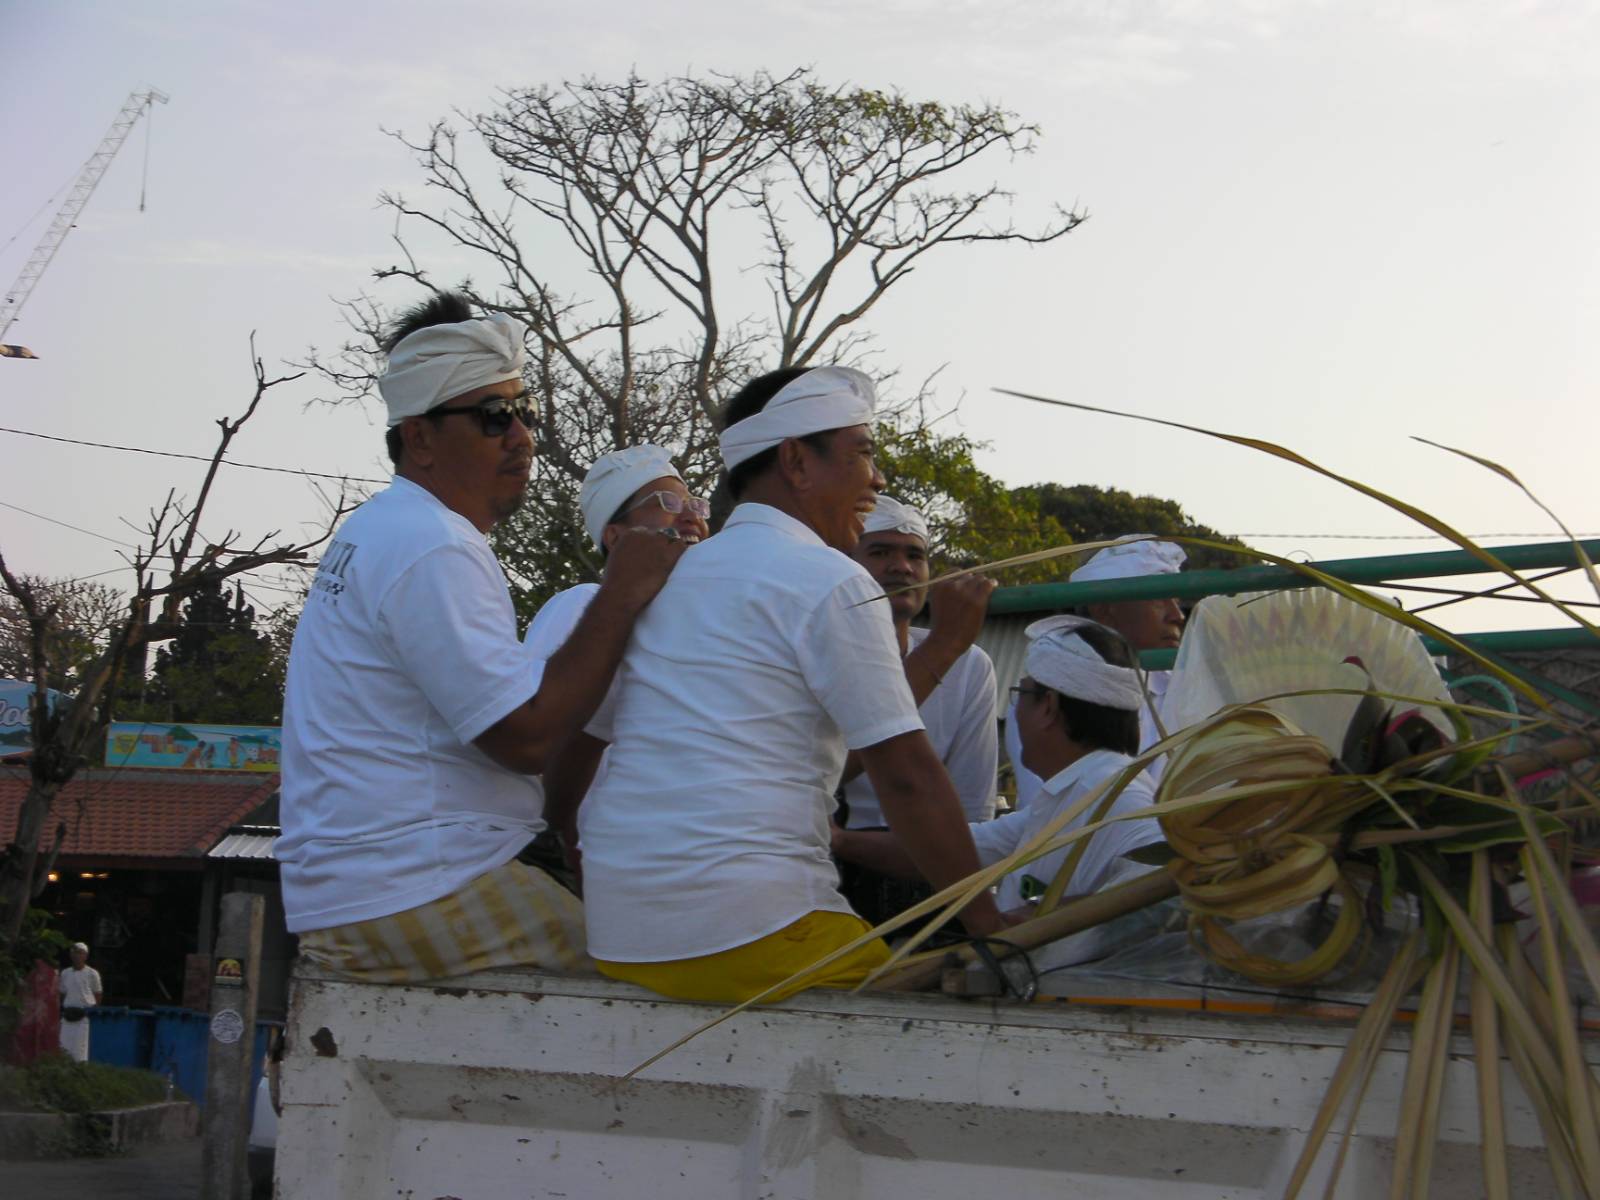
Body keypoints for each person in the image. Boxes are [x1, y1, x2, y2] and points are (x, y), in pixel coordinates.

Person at [278, 292, 685, 983]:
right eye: (494, 417)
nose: (521, 435)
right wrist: (623, 592)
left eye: (523, 412)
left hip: (382, 882)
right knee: (663, 969)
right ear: (420, 438)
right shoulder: (430, 544)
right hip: (415, 886)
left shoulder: (392, 527)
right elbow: (524, 739)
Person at [577, 365, 1012, 1004]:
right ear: (796, 462)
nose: (879, 479)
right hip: (749, 932)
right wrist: (989, 925)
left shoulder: (671, 578)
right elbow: (905, 777)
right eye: (863, 453)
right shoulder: (830, 581)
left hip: (619, 936)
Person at [835, 617, 1165, 968]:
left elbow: (1169, 891)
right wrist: (839, 840)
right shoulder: (1069, 797)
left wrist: (1057, 913)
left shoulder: (1118, 797)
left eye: (1020, 694)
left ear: (1048, 707)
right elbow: (948, 850)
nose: (1014, 710)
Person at [525, 445, 712, 870]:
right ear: (615, 536)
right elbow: (550, 743)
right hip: (598, 860)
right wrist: (562, 847)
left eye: (694, 505)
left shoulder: (706, 620)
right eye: (666, 504)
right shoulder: (582, 606)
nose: (690, 518)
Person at [834, 495, 998, 925]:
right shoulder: (822, 649)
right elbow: (827, 771)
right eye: (881, 552)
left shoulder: (968, 665)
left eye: (914, 555)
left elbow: (971, 813)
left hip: (928, 869)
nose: (901, 568)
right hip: (821, 864)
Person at [1007, 537, 1186, 810]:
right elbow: (1054, 812)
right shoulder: (1043, 695)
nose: (1177, 615)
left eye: (1176, 599)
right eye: (1159, 599)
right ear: (1104, 609)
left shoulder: (1185, 689)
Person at [58, 942, 102, 1063]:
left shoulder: (92, 974)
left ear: (85, 955)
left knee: (80, 1049)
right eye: (74, 952)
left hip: (84, 1015)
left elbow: (97, 993)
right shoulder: (65, 973)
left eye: (79, 953)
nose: (76, 955)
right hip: (68, 1014)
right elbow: (62, 993)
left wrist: (93, 1010)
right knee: (64, 1047)